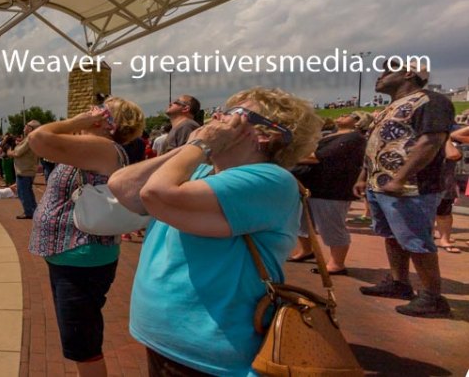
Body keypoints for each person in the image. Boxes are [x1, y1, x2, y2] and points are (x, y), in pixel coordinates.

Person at [108, 87, 321, 375]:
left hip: (208, 356)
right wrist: (193, 148)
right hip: (167, 341)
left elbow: (155, 193)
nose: (217, 117)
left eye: (234, 114)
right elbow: (122, 186)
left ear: (266, 134)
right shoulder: (201, 171)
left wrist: (201, 146)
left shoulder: (271, 180)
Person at [27, 98, 145, 377]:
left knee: (84, 345)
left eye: (100, 108)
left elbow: (38, 138)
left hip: (81, 257)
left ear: (107, 121)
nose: (91, 108)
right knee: (81, 340)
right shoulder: (92, 147)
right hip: (73, 256)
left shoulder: (103, 147)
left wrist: (78, 122)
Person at [355, 63, 455, 317]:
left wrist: (400, 178)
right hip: (381, 184)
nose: (380, 76)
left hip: (412, 187)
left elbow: (430, 141)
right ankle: (399, 283)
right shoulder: (388, 108)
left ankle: (432, 297)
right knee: (391, 235)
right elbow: (376, 145)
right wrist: (363, 177)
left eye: (388, 71)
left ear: (409, 74)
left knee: (416, 240)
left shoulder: (431, 101)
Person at [289, 111, 372, 274]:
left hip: (331, 188)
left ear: (358, 122)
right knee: (302, 221)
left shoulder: (354, 138)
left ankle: (337, 264)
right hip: (312, 185)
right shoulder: (332, 135)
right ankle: (306, 250)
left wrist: (289, 158)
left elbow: (319, 157)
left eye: (350, 115)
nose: (342, 115)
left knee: (331, 225)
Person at [12, 121, 42, 220]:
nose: (24, 127)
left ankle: (29, 212)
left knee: (23, 193)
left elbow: (18, 152)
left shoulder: (30, 138)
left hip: (25, 170)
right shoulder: (34, 138)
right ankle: (33, 210)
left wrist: (9, 152)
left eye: (26, 126)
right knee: (27, 192)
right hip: (28, 169)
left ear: (31, 128)